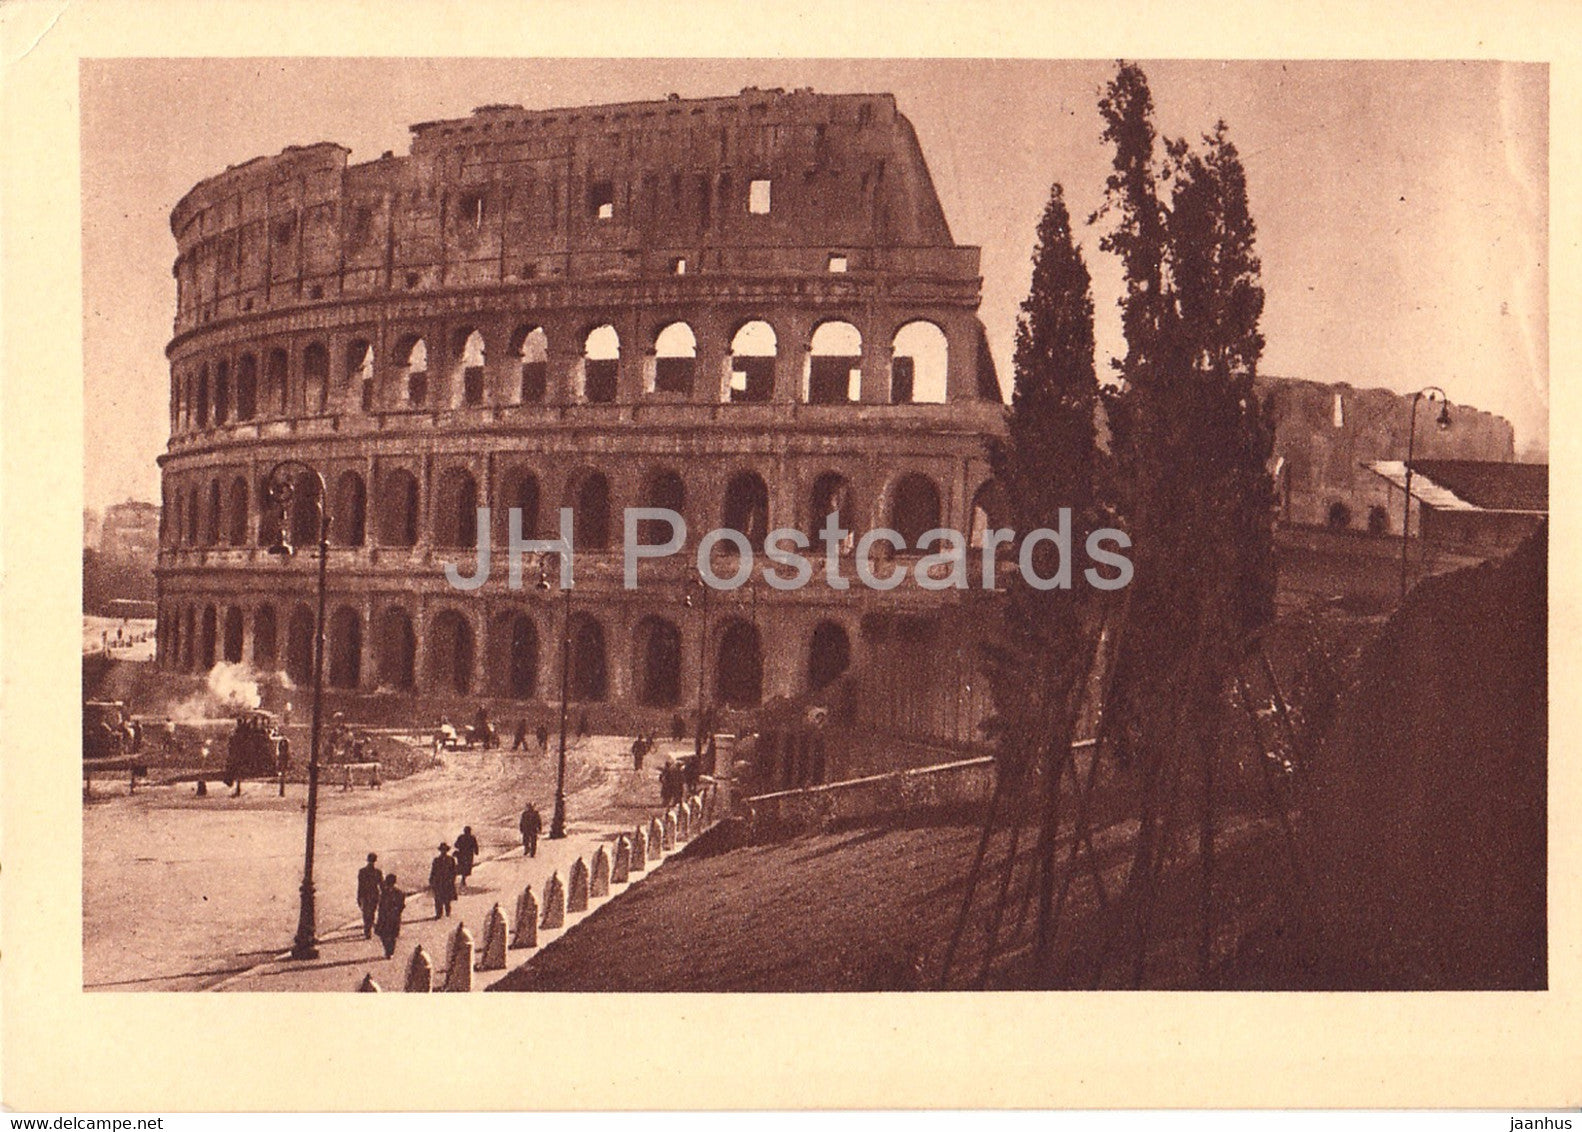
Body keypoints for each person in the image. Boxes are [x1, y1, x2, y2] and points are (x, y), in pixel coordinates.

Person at [373, 873, 406, 958]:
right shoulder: (385, 893)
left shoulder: (399, 893)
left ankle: (390, 952)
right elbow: (381, 906)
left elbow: (401, 906)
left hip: (393, 918)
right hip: (385, 918)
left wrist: (395, 912)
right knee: (384, 935)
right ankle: (388, 951)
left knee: (392, 936)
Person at [356, 852, 383, 940]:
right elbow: (381, 885)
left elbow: (360, 886)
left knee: (366, 913)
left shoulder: (362, 871)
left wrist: (359, 897)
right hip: (374, 895)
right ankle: (368, 929)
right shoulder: (378, 872)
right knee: (371, 912)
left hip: (365, 894)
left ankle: (367, 929)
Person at [428, 843, 458, 919]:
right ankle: (438, 914)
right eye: (442, 850)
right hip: (439, 882)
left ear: (446, 851)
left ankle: (447, 912)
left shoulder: (451, 860)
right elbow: (433, 871)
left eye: (444, 850)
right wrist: (431, 880)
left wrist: (452, 880)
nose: (443, 851)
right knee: (438, 899)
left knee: (447, 899)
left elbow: (454, 871)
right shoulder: (436, 860)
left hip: (447, 882)